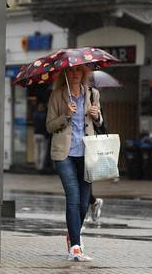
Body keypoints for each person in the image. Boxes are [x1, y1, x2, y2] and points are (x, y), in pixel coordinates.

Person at [46, 64, 103, 262]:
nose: (75, 74)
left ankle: (73, 235)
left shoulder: (93, 94)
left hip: (88, 154)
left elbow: (99, 122)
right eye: (71, 71)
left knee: (83, 202)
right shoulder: (57, 95)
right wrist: (66, 116)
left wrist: (97, 117)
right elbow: (49, 125)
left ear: (84, 73)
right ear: (65, 74)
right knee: (73, 197)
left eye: (79, 71)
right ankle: (76, 248)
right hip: (65, 155)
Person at [32, 102, 49, 173]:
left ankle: (36, 165)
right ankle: (41, 167)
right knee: (43, 151)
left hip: (35, 134)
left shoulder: (34, 114)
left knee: (36, 150)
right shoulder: (45, 115)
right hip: (43, 135)